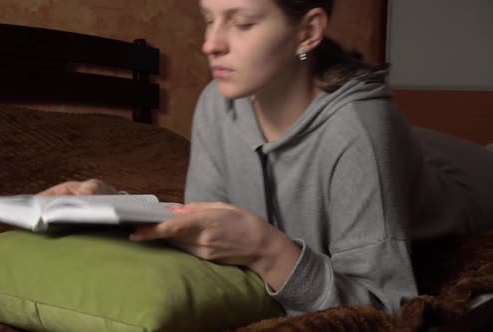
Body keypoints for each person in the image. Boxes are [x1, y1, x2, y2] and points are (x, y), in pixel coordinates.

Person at [40, 0, 493, 316]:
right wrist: (117, 207)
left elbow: (389, 307)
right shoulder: (217, 103)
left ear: (308, 31)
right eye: (208, 19)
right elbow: (206, 226)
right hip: (404, 148)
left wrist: (268, 251)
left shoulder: (357, 130)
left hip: (468, 178)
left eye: (241, 23)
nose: (210, 44)